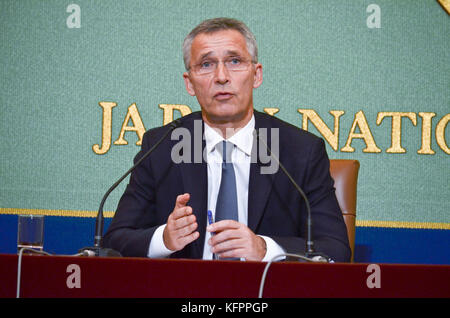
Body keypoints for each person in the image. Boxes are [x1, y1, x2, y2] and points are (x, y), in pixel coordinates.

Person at [103, 17, 351, 262]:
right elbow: (113, 241)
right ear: (189, 83)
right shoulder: (163, 147)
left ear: (256, 75)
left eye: (234, 61)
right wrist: (164, 239)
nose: (221, 76)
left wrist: (265, 249)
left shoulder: (299, 151)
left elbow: (335, 250)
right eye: (206, 64)